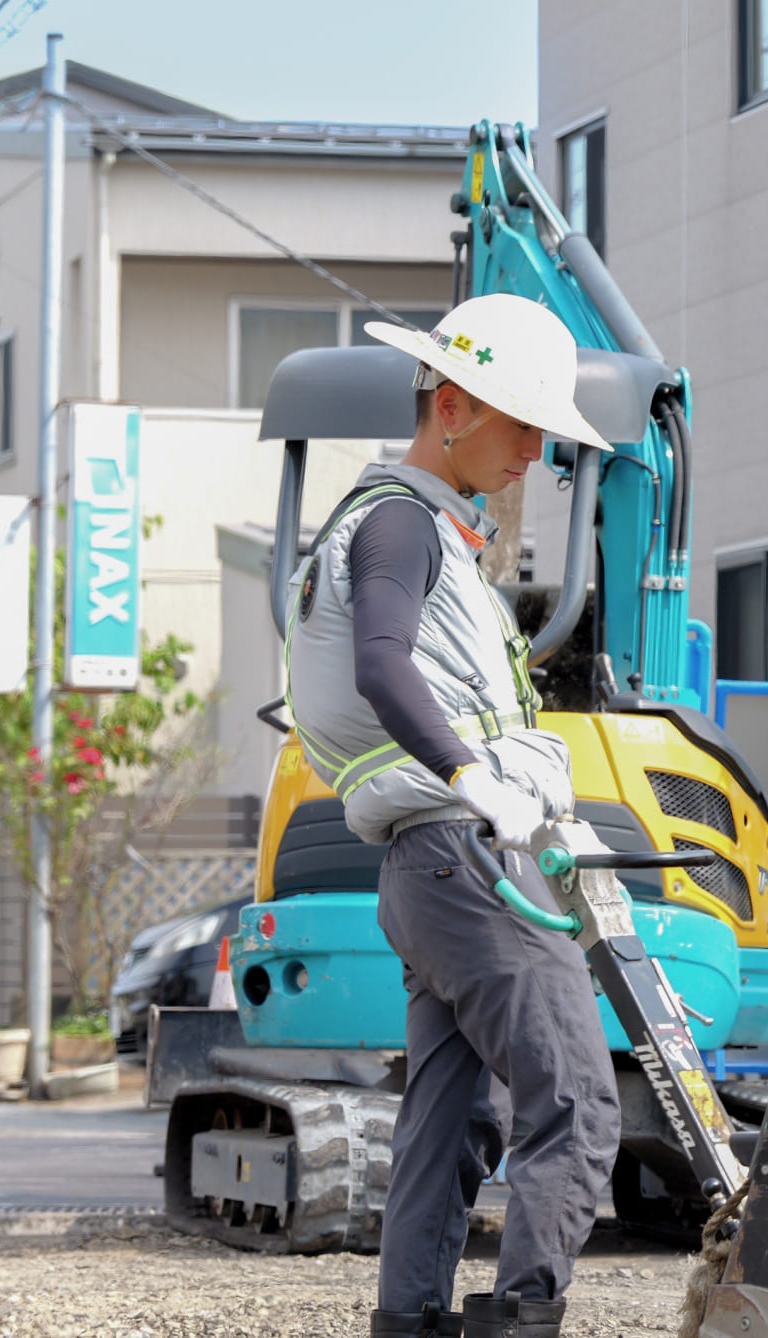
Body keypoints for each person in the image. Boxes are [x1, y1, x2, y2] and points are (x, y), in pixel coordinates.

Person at [285, 293, 617, 1338]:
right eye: (524, 424)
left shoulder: (399, 526)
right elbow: (383, 665)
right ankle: (522, 1321)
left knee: (451, 1119)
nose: (536, 454)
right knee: (578, 1104)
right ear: (455, 406)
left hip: (428, 869)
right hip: (468, 856)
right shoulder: (401, 522)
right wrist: (477, 782)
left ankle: (410, 1321)